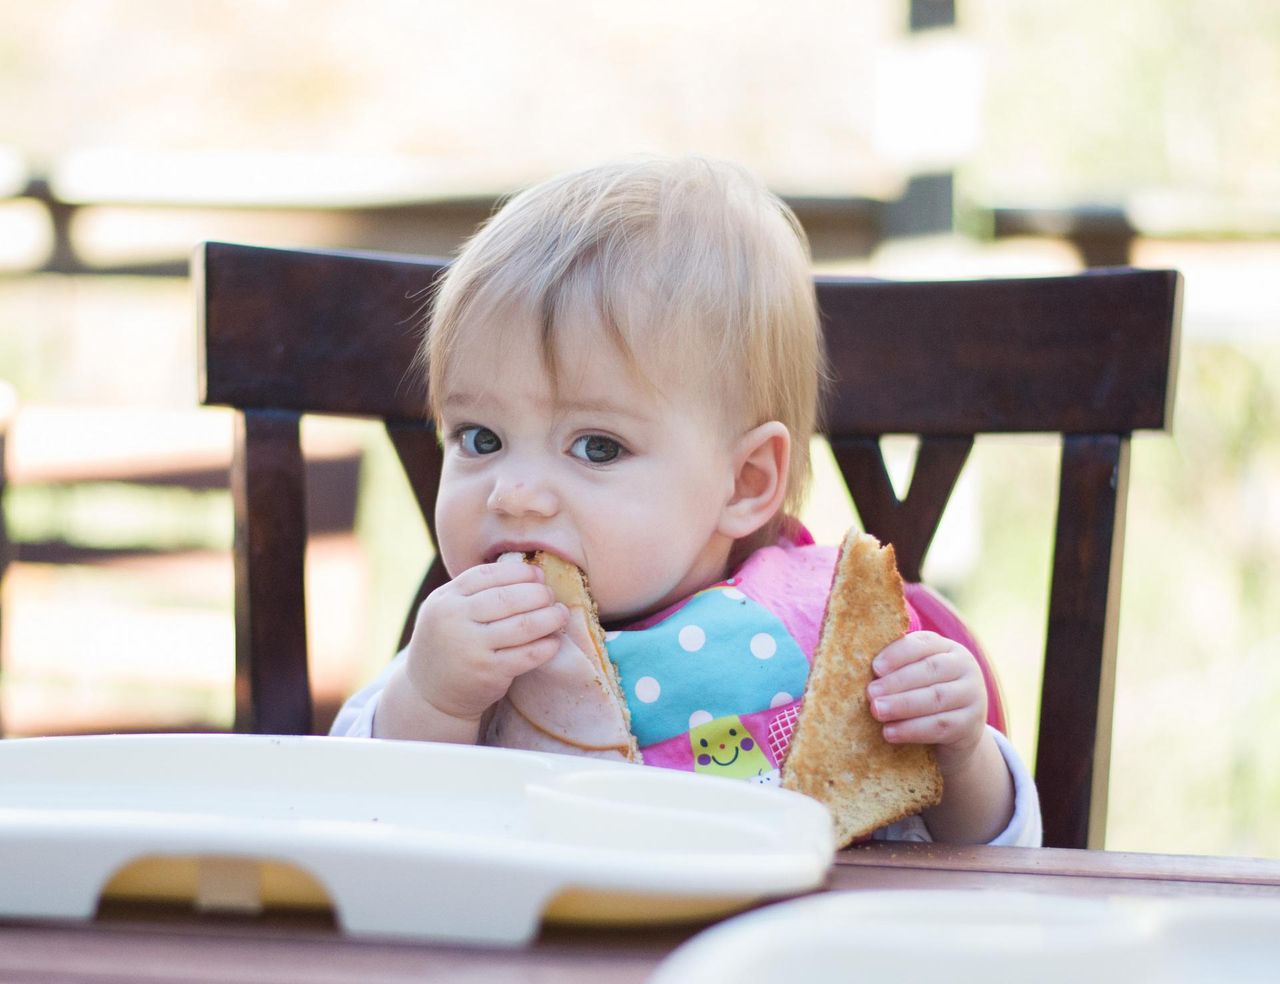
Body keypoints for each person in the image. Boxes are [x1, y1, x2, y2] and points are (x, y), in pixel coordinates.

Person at [331, 155, 1041, 847]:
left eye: (597, 446)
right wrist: (431, 702)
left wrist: (960, 752)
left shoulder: (827, 650)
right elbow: (352, 817)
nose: (512, 493)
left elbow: (998, 858)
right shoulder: (470, 656)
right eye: (480, 437)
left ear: (745, 483)